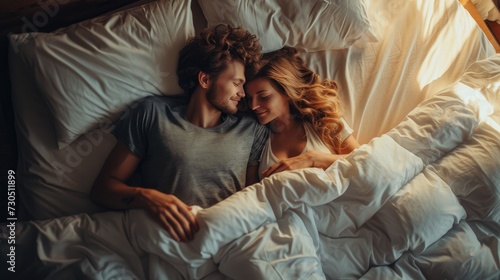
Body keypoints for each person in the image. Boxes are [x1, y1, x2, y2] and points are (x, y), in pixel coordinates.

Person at [90, 25, 268, 242]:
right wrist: (146, 197)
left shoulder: (250, 126)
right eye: (236, 83)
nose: (242, 93)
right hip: (167, 241)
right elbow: (102, 189)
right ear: (204, 79)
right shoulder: (153, 114)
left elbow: (254, 197)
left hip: (230, 239)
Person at [244, 47, 360, 180]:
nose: (253, 106)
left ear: (287, 92)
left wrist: (313, 159)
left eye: (264, 97)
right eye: (249, 98)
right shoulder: (257, 138)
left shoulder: (321, 119)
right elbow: (251, 192)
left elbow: (364, 161)